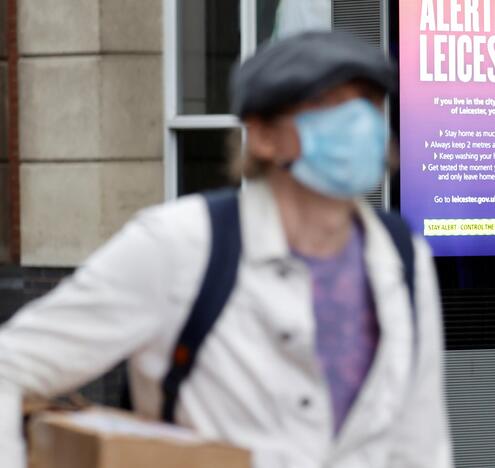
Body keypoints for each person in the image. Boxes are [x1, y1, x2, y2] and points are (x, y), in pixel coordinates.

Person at [0, 31, 452, 468]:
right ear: (262, 136)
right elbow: (10, 366)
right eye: (327, 106)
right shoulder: (180, 244)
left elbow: (420, 439)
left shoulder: (403, 256)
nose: (360, 125)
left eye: (369, 104)